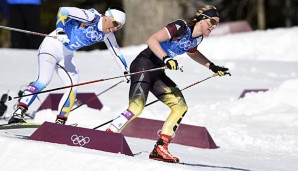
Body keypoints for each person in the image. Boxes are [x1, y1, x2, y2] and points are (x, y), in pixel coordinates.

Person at [105, 5, 229, 163]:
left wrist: (212, 66)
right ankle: (108, 135)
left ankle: (160, 148)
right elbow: (152, 40)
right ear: (201, 19)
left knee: (180, 106)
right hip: (144, 64)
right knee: (136, 108)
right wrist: (166, 58)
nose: (213, 26)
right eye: (212, 21)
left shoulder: (197, 38)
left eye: (217, 23)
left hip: (157, 72)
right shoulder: (180, 27)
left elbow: (193, 52)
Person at [8, 6, 129, 125]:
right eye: (115, 23)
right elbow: (63, 11)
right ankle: (19, 112)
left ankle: (60, 121)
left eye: (119, 26)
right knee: (44, 80)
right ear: (107, 17)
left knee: (73, 86)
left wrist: (125, 70)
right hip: (51, 46)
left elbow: (116, 53)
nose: (115, 28)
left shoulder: (107, 35)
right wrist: (60, 30)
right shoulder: (91, 17)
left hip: (66, 56)